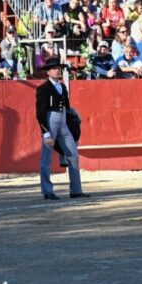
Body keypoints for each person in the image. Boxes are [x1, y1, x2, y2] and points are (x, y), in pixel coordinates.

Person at [35, 57, 87, 200]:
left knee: (73, 154)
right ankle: (47, 191)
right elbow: (40, 112)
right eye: (55, 68)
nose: (58, 70)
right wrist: (46, 133)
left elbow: (67, 107)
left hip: (62, 121)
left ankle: (76, 190)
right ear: (48, 72)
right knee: (46, 158)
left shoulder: (62, 87)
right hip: (50, 121)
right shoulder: (43, 89)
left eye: (59, 68)